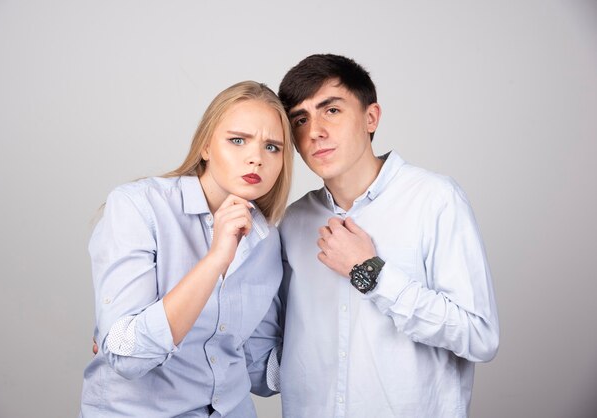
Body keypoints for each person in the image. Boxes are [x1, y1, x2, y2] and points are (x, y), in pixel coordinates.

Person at [276, 54, 499, 417]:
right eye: (300, 119)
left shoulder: (435, 199)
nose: (314, 130)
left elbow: (479, 336)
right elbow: (279, 348)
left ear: (371, 117)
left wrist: (371, 273)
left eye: (331, 110)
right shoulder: (293, 222)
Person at [80, 81, 293, 417]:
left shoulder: (266, 240)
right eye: (238, 140)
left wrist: (338, 328)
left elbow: (260, 370)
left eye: (272, 147)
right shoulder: (139, 207)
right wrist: (217, 258)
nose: (256, 158)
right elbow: (126, 354)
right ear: (206, 146)